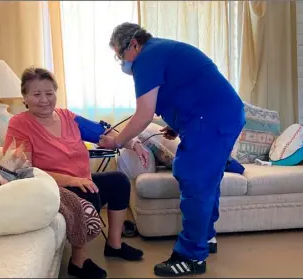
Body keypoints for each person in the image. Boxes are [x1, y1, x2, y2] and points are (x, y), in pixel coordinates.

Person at [99, 22, 246, 277]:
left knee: (194, 179)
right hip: (217, 116)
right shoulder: (162, 50)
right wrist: (177, 127)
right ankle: (206, 238)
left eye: (120, 55)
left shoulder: (147, 58)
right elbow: (189, 90)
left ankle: (191, 257)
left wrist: (117, 141)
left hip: (210, 120)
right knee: (207, 181)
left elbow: (144, 114)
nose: (121, 61)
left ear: (133, 44)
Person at [2, 67, 148, 279]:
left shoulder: (68, 117)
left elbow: (103, 133)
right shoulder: (20, 124)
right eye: (36, 94)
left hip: (80, 180)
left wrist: (134, 143)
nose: (44, 100)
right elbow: (25, 170)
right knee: (87, 191)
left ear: (56, 93)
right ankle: (79, 260)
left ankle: (114, 245)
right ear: (24, 97)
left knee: (119, 181)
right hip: (51, 186)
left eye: (49, 93)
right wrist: (70, 179)